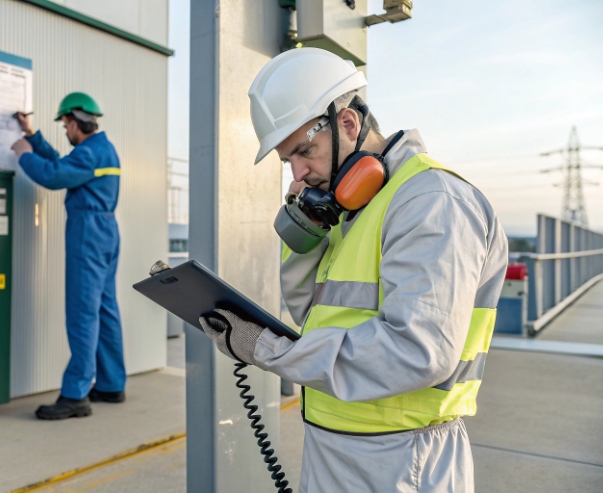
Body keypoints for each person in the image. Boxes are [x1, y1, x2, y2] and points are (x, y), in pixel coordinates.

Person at [199, 48, 508, 492]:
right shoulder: (350, 206)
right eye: (289, 161)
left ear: (346, 123)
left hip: (401, 458)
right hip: (334, 445)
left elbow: (419, 351)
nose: (300, 172)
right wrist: (307, 228)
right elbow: (311, 313)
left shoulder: (431, 201)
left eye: (305, 151)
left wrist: (270, 350)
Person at [10, 92, 126, 420]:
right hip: (105, 233)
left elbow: (53, 175)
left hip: (87, 235)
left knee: (82, 313)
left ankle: (75, 394)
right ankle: (111, 384)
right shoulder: (100, 149)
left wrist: (23, 154)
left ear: (74, 122)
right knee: (104, 310)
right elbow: (64, 164)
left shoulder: (89, 153)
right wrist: (32, 136)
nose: (65, 130)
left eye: (64, 124)